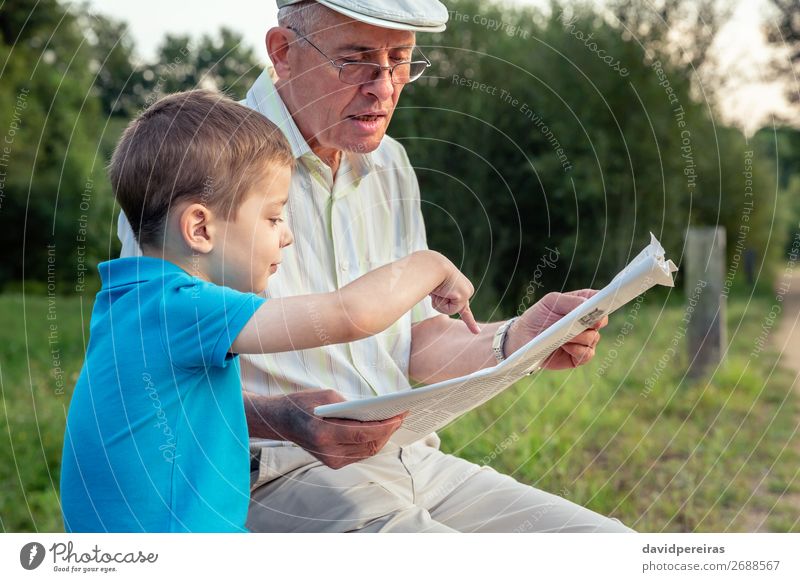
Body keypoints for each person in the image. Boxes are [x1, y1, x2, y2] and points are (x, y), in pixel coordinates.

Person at [118, 0, 634, 532]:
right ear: (284, 52)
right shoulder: (194, 164)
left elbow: (413, 339)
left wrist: (517, 338)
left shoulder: (392, 164)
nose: (384, 87)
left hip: (410, 461)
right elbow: (148, 379)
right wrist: (284, 420)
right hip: (266, 474)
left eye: (401, 60)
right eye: (357, 59)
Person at [60, 89, 478, 532]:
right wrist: (429, 264)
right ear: (200, 227)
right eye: (274, 217)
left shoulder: (135, 302)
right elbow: (347, 314)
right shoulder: (177, 308)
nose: (287, 236)